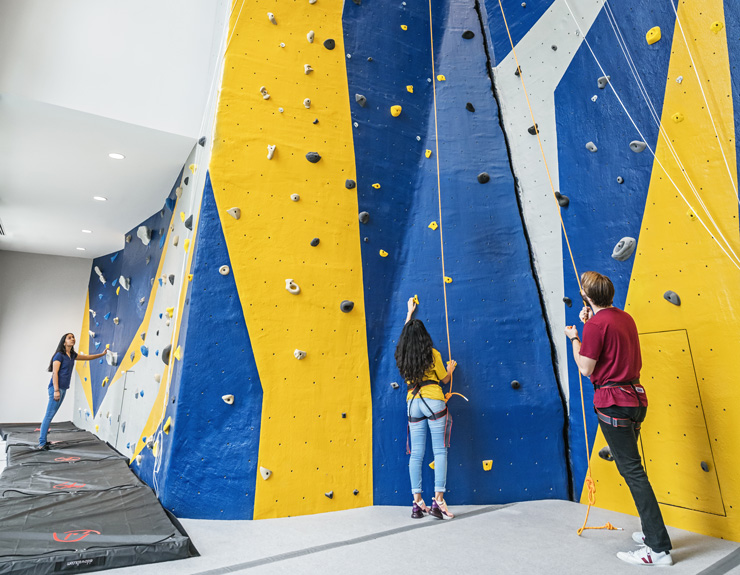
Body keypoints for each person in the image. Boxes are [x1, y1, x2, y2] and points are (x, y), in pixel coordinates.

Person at [565, 271, 673, 567]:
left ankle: (658, 548)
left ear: (587, 297)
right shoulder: (624, 318)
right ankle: (652, 532)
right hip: (636, 399)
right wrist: (590, 326)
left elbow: (587, 368)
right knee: (634, 471)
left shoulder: (596, 325)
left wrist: (576, 338)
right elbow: (611, 347)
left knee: (634, 473)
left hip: (613, 403)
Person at [395, 297, 457, 520]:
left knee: (416, 454)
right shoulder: (433, 354)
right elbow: (444, 378)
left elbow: (404, 336)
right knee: (439, 451)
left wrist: (409, 314)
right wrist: (450, 368)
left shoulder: (402, 355)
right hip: (432, 399)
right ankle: (438, 501)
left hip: (413, 402)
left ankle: (417, 503)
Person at [38, 333, 107, 449]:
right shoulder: (59, 356)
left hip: (63, 389)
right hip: (56, 389)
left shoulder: (72, 355)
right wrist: (56, 390)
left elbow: (87, 358)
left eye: (73, 337)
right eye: (69, 338)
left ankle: (43, 441)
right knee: (49, 416)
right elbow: (55, 373)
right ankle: (41, 443)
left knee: (51, 415)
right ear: (64, 342)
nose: (72, 339)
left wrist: (102, 354)